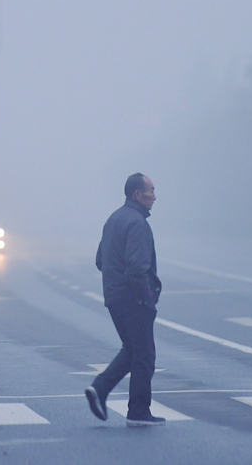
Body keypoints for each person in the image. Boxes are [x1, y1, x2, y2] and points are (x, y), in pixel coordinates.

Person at [85, 173, 164, 427]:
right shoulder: (138, 223)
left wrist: (115, 281)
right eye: (150, 191)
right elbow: (136, 268)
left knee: (132, 350)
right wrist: (147, 300)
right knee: (144, 355)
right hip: (133, 300)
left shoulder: (114, 219)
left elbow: (100, 260)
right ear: (137, 195)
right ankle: (139, 412)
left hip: (115, 298)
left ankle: (100, 389)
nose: (154, 196)